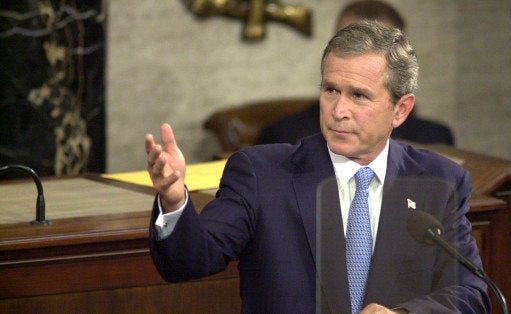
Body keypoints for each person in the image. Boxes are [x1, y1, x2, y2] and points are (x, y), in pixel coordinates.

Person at [145, 21, 489, 313]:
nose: (338, 109)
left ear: (401, 109)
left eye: (359, 96)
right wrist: (174, 201)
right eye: (330, 90)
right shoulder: (260, 173)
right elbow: (189, 261)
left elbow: (471, 294)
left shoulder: (438, 180)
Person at [256, 0, 454, 146]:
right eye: (349, 41)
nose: (361, 54)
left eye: (380, 45)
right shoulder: (283, 137)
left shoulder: (434, 140)